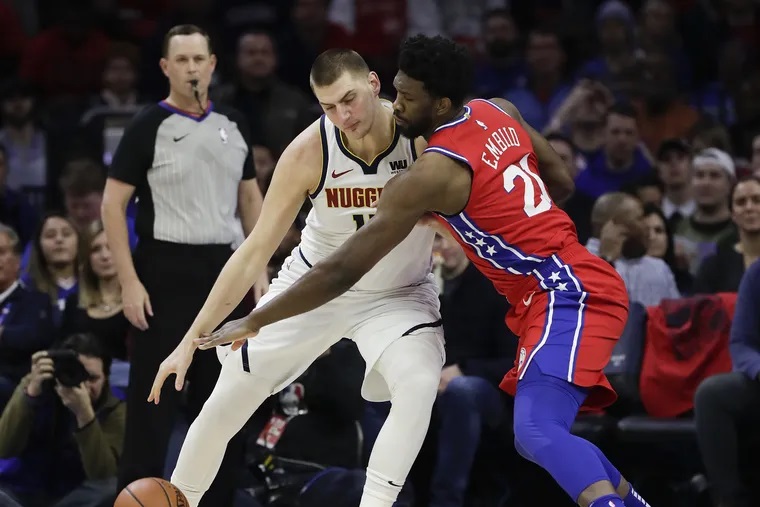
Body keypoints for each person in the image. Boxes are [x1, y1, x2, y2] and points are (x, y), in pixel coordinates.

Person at [199, 35, 653, 507]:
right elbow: (560, 181)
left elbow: (341, 271)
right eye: (396, 89)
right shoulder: (498, 110)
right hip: (561, 285)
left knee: (537, 430)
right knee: (536, 436)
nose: (395, 105)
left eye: (408, 97)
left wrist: (258, 318)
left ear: (440, 104)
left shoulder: (430, 174)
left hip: (563, 290)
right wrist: (491, 210)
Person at [148, 48, 445, 507]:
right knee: (230, 394)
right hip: (315, 286)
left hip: (397, 292)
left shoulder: (420, 139)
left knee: (419, 384)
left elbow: (473, 218)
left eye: (349, 99)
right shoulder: (309, 151)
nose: (343, 116)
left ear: (373, 83)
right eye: (329, 106)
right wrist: (189, 341)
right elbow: (254, 251)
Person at [100, 24, 267, 507]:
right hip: (163, 272)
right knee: (152, 405)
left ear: (212, 65)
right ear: (165, 67)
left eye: (199, 59)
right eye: (182, 60)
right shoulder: (147, 125)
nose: (192, 68)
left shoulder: (234, 122)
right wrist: (129, 282)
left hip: (225, 270)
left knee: (223, 404)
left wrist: (260, 273)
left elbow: (250, 201)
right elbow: (112, 205)